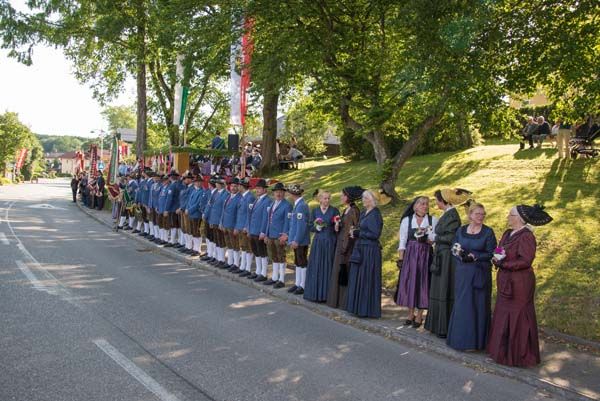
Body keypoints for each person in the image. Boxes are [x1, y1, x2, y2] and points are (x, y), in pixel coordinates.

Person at [487, 205, 552, 367]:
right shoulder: (507, 233)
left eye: (511, 215)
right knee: (503, 313)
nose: (508, 217)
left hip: (520, 283)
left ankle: (520, 356)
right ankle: (502, 354)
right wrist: (495, 258)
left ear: (520, 218)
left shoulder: (526, 236)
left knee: (518, 315)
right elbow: (499, 249)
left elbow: (526, 260)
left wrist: (504, 264)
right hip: (505, 280)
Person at [446, 202, 497, 351]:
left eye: (483, 214)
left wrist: (476, 256)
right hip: (463, 273)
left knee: (478, 306)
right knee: (463, 305)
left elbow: (491, 252)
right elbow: (454, 247)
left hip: (480, 274)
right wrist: (460, 255)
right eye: (477, 214)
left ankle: (476, 343)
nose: (481, 217)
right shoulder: (461, 230)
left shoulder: (488, 232)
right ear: (470, 215)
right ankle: (459, 341)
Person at [424, 188, 470, 338]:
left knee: (444, 288)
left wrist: (434, 238)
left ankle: (443, 327)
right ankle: (437, 325)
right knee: (438, 288)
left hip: (446, 258)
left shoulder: (452, 216)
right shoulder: (447, 214)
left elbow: (451, 238)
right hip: (440, 255)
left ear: (443, 200)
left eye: (437, 200)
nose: (435, 203)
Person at [395, 196, 437, 328]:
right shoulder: (407, 221)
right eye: (422, 204)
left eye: (427, 204)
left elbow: (434, 240)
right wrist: (401, 259)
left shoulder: (432, 220)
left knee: (423, 283)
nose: (425, 206)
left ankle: (420, 315)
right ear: (415, 206)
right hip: (411, 255)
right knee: (410, 283)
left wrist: (426, 238)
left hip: (425, 255)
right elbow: (402, 241)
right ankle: (410, 313)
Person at [346, 190, 384, 318]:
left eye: (365, 198)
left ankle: (367, 309)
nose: (363, 200)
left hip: (370, 251)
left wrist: (358, 233)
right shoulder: (363, 212)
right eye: (363, 197)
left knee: (367, 279)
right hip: (361, 248)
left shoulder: (375, 215)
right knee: (359, 278)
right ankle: (357, 307)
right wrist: (355, 231)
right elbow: (362, 229)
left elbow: (375, 234)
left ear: (371, 199)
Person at [326, 186, 363, 309]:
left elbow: (352, 230)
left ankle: (344, 302)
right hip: (341, 243)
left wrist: (345, 248)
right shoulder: (346, 210)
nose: (341, 197)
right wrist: (338, 226)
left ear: (349, 197)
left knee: (344, 271)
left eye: (343, 195)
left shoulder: (354, 211)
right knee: (338, 271)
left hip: (347, 247)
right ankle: (337, 301)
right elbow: (344, 227)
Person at [303, 190, 340, 302]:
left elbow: (337, 227)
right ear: (319, 199)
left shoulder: (334, 210)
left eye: (328, 198)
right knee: (317, 265)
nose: (327, 200)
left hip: (329, 241)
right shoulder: (315, 211)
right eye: (325, 198)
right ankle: (314, 293)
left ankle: (326, 296)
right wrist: (316, 228)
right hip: (318, 241)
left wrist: (337, 225)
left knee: (327, 266)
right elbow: (309, 225)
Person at [263, 182, 292, 288]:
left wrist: (285, 235)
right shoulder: (272, 204)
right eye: (276, 192)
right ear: (273, 193)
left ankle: (281, 279)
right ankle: (275, 277)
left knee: (281, 256)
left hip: (279, 235)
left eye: (280, 192)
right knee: (273, 256)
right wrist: (266, 234)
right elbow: (268, 220)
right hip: (271, 234)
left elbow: (287, 221)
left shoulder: (287, 205)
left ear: (284, 193)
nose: (278, 194)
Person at [286, 184, 310, 295]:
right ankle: (298, 283)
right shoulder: (298, 205)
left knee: (302, 262)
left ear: (292, 194)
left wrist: (296, 240)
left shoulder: (301, 206)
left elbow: (301, 226)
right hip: (297, 239)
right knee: (298, 262)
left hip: (301, 240)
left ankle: (303, 285)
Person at [246, 179, 271, 281]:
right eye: (256, 188)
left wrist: (263, 231)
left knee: (262, 252)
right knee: (256, 251)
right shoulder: (257, 199)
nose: (257, 190)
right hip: (253, 230)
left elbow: (266, 217)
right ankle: (258, 271)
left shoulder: (267, 201)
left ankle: (263, 273)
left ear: (265, 190)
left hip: (260, 230)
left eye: (259, 188)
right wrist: (249, 229)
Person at [220, 177, 242, 270]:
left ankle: (236, 264)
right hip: (226, 224)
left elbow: (239, 215)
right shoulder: (228, 196)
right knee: (229, 244)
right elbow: (223, 210)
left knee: (235, 245)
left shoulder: (240, 198)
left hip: (233, 225)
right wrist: (221, 222)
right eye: (232, 186)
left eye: (235, 186)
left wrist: (237, 227)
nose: (233, 188)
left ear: (238, 187)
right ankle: (230, 262)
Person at [235, 178, 256, 277]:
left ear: (242, 186)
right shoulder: (242, 197)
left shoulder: (250, 197)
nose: (237, 187)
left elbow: (250, 214)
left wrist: (246, 226)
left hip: (244, 227)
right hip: (240, 225)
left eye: (239, 185)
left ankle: (247, 268)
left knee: (248, 248)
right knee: (243, 247)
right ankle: (242, 266)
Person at [208, 176, 229, 266]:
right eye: (216, 183)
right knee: (216, 239)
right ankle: (217, 257)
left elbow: (224, 209)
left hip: (220, 220)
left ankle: (222, 259)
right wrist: (211, 220)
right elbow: (211, 206)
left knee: (221, 240)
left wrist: (221, 221)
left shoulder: (226, 194)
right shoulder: (215, 193)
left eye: (217, 183)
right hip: (214, 219)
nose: (216, 184)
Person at [185, 176, 205, 256]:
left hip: (196, 214)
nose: (198, 183)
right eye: (197, 182)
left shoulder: (202, 192)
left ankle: (198, 249)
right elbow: (189, 201)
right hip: (191, 214)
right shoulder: (194, 191)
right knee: (193, 231)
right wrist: (187, 208)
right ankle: (194, 248)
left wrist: (189, 210)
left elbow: (198, 204)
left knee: (197, 232)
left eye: (200, 182)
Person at [164, 172, 182, 247]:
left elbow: (169, 198)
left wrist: (166, 209)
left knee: (173, 225)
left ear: (170, 178)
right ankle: (179, 240)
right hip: (178, 207)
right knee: (178, 225)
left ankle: (172, 241)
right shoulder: (179, 185)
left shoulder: (172, 186)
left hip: (172, 208)